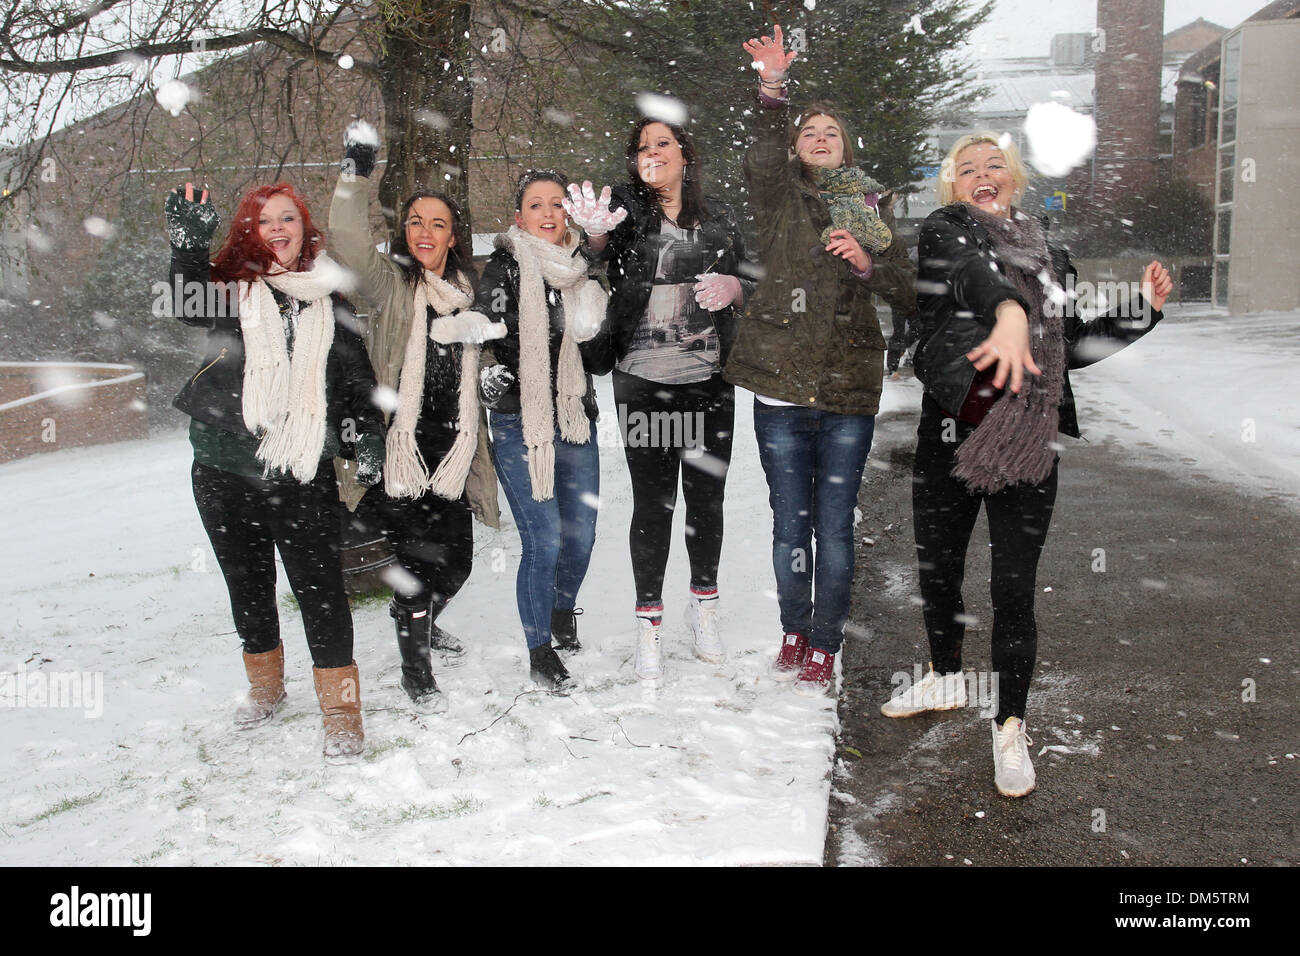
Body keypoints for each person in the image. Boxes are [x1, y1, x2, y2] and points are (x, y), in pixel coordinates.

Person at [878, 131, 1173, 798]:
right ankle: (947, 675)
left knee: (1013, 592)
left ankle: (1010, 727)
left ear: (1013, 179)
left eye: (994, 167)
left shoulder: (1049, 255)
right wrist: (1008, 310)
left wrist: (1142, 314)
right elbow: (972, 278)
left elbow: (1071, 346)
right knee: (939, 568)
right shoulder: (943, 234)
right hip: (951, 431)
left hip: (1030, 439)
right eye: (968, 169)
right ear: (954, 185)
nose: (982, 176)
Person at [726, 25, 917, 697]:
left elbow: (905, 285)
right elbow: (761, 157)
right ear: (797, 146)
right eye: (809, 130)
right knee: (790, 525)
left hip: (846, 390)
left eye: (831, 131)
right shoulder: (780, 197)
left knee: (833, 527)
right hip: (781, 386)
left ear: (847, 148)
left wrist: (868, 263)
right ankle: (793, 628)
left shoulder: (869, 205)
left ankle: (825, 644)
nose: (820, 136)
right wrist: (773, 89)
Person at [166, 180, 386, 760]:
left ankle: (341, 709)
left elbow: (357, 376)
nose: (279, 229)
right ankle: (265, 685)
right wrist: (189, 248)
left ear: (303, 228)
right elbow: (187, 305)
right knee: (247, 581)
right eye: (265, 221)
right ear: (249, 232)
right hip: (221, 462)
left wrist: (369, 432)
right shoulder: (230, 290)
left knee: (320, 588)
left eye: (288, 218)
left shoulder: (327, 297)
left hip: (299, 467)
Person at [564, 116, 753, 687]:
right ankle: (649, 625)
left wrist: (737, 288)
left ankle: (705, 610)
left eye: (662, 143)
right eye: (642, 147)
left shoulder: (717, 215)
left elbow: (750, 274)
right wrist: (595, 234)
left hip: (707, 383)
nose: (652, 153)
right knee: (654, 505)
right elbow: (599, 250)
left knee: (706, 501)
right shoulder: (627, 209)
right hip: (644, 382)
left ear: (684, 154)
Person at [328, 121, 503, 714]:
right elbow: (349, 239)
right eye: (416, 222)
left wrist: (493, 376)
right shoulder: (388, 286)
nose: (425, 232)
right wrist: (355, 174)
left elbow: (486, 357)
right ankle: (416, 669)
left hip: (453, 450)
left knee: (457, 563)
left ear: (454, 237)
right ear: (404, 232)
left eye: (439, 224)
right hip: (399, 450)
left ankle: (423, 623)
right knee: (415, 566)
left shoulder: (467, 293)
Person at [475, 170, 614, 691]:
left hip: (575, 416)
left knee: (582, 535)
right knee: (545, 539)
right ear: (519, 218)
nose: (548, 213)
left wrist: (593, 315)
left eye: (557, 204)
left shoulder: (583, 272)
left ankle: (560, 611)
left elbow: (600, 359)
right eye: (536, 205)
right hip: (520, 420)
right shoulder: (504, 269)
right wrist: (494, 370)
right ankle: (539, 650)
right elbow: (487, 332)